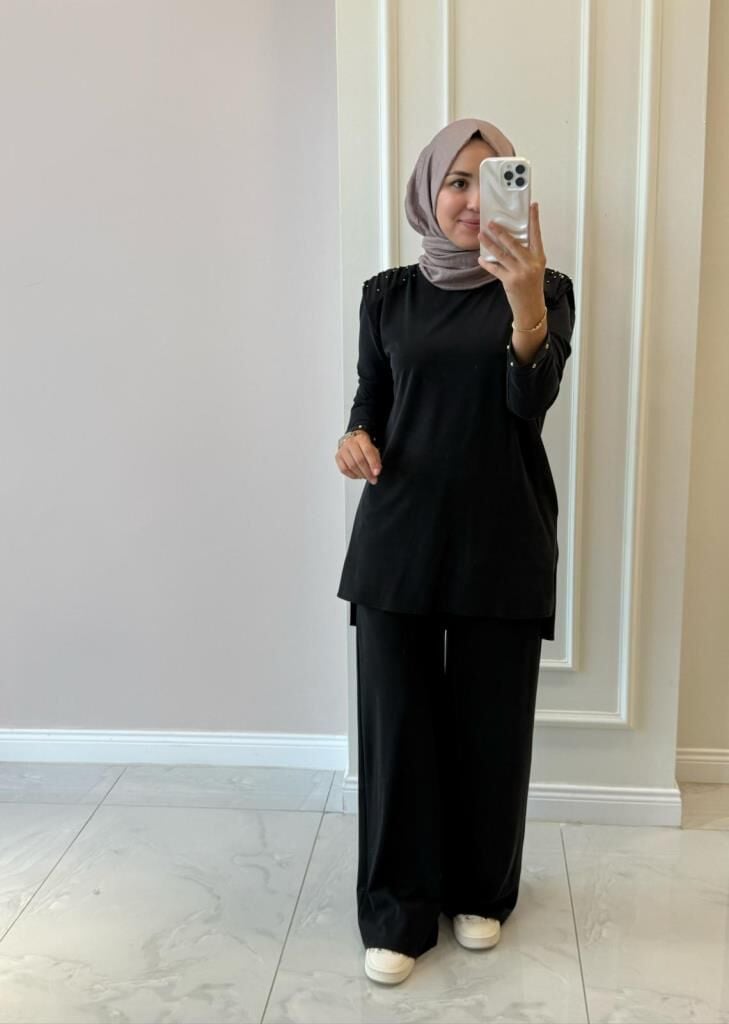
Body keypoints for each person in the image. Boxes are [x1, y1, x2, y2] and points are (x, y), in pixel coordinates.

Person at [334, 118, 576, 986]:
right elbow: (372, 394)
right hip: (397, 540)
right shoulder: (387, 294)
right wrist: (355, 437)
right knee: (396, 731)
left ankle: (481, 891)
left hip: (501, 536)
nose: (473, 200)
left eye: (491, 178)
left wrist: (524, 305)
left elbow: (529, 402)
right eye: (457, 182)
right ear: (427, 191)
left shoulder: (546, 287)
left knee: (489, 727)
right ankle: (397, 910)